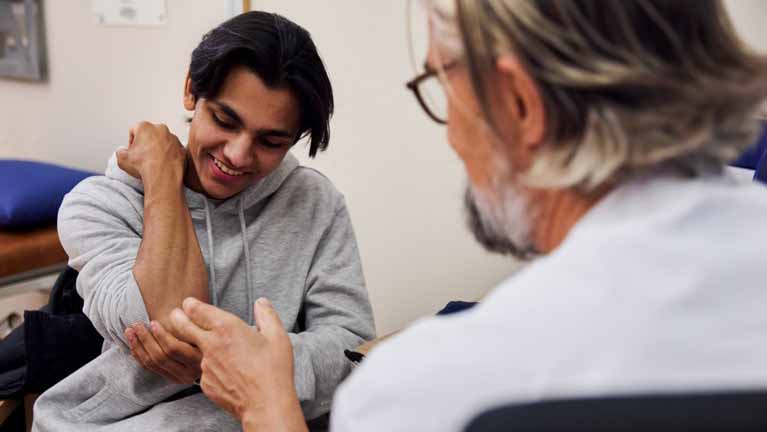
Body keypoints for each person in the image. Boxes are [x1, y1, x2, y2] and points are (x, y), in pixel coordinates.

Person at [164, 0, 767, 431]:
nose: (451, 133)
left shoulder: (423, 390)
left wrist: (268, 406)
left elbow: (346, 341)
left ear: (518, 103)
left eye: (442, 83)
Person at [32, 11, 375, 432]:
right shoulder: (98, 205)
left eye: (271, 142)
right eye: (226, 121)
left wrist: (254, 365)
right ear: (192, 91)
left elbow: (352, 348)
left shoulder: (315, 202)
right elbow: (167, 322)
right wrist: (163, 178)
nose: (238, 155)